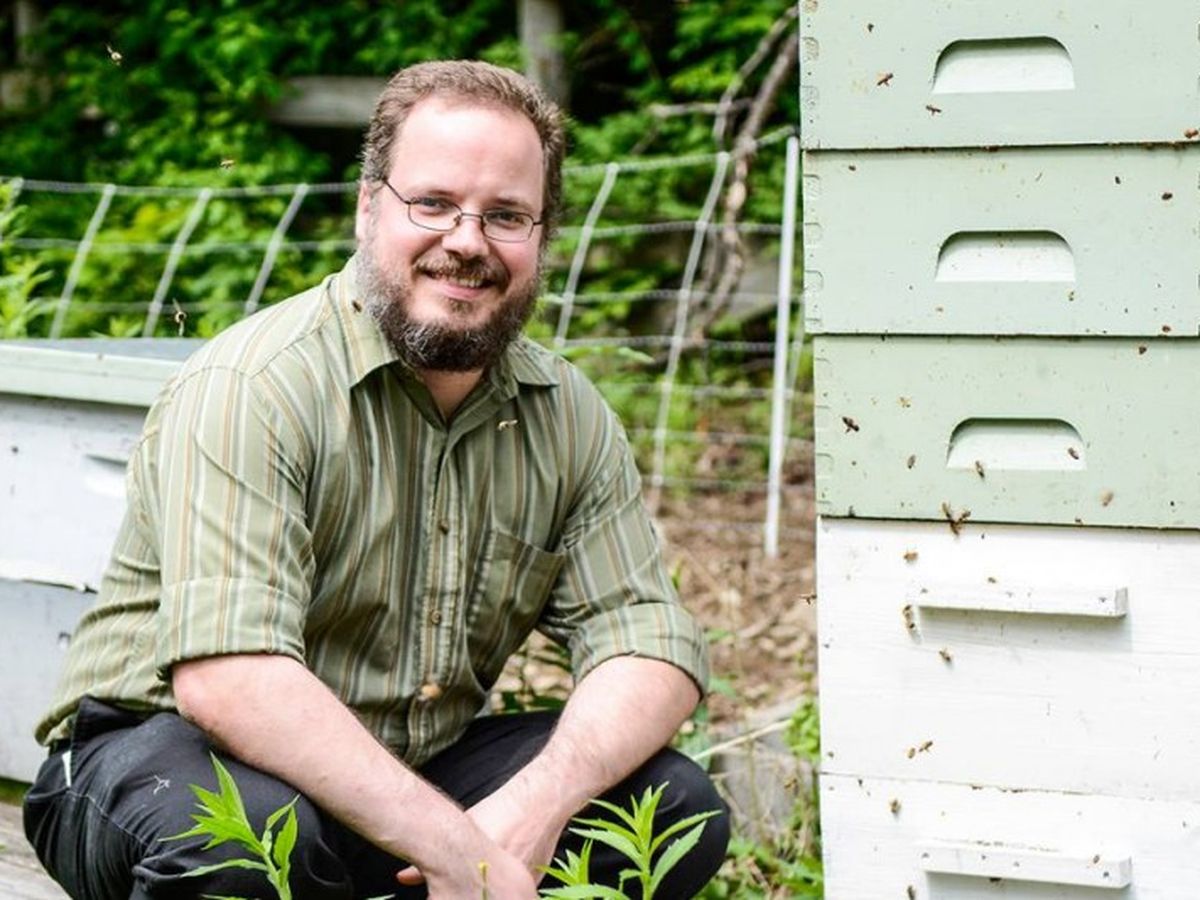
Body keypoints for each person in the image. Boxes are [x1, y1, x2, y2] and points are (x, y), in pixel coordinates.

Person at [22, 60, 728, 899]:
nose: (467, 241)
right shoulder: (258, 387)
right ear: (368, 207)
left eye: (506, 215)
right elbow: (229, 678)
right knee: (244, 839)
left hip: (399, 775)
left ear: (542, 237)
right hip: (153, 755)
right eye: (432, 204)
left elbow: (649, 645)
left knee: (672, 807)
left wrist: (531, 810)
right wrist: (460, 851)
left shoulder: (566, 416)